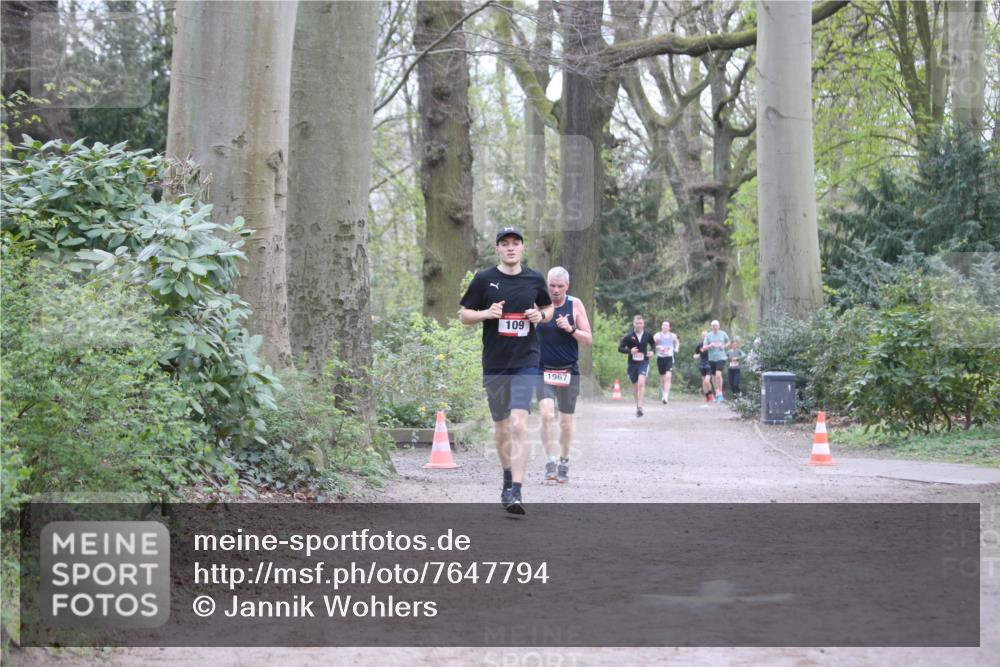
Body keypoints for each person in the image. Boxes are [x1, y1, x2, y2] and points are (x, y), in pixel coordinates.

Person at [459, 226, 554, 515]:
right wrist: (487, 313)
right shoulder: (484, 280)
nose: (511, 248)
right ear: (498, 249)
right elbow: (464, 315)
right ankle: (506, 477)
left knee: (519, 424)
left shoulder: (534, 279)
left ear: (522, 248)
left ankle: (517, 489)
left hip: (526, 360)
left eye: (516, 243)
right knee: (501, 427)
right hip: (495, 363)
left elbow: (548, 309)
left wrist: (541, 316)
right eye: (505, 244)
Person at [536, 267, 592, 484]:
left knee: (566, 422)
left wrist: (570, 329)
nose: (556, 290)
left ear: (567, 287)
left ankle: (564, 461)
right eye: (552, 286)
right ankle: (549, 460)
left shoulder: (575, 304)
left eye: (560, 286)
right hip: (543, 370)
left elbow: (588, 339)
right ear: (547, 284)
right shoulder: (538, 304)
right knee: (547, 415)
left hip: (568, 370)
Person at [618, 314, 655, 417]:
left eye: (641, 323)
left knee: (641, 383)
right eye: (637, 323)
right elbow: (620, 348)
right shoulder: (629, 336)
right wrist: (630, 351)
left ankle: (640, 407)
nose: (639, 325)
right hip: (632, 364)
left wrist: (652, 351)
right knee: (635, 386)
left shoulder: (647, 335)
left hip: (643, 362)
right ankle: (637, 406)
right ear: (634, 324)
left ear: (643, 324)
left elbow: (653, 344)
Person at [703, 320, 731, 403]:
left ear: (719, 326)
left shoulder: (723, 333)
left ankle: (720, 393)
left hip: (721, 357)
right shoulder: (708, 335)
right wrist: (709, 345)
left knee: (718, 375)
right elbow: (704, 347)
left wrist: (724, 346)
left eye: (716, 326)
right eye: (713, 326)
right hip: (711, 359)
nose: (714, 327)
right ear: (711, 327)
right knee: (714, 377)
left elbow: (729, 341)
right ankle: (717, 393)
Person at [653, 320, 680, 404]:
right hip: (660, 358)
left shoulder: (673, 335)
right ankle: (663, 393)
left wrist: (676, 348)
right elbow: (652, 345)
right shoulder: (657, 335)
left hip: (669, 358)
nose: (665, 327)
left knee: (668, 376)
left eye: (667, 326)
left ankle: (665, 397)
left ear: (669, 327)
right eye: (664, 325)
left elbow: (677, 342)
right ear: (661, 327)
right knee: (662, 378)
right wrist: (658, 347)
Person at [693, 331, 713, 404]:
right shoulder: (699, 345)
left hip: (709, 364)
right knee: (704, 382)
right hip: (702, 364)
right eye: (703, 336)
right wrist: (697, 356)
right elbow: (695, 355)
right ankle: (707, 396)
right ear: (701, 337)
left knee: (707, 381)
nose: (704, 337)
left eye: (706, 336)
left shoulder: (710, 344)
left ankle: (710, 394)